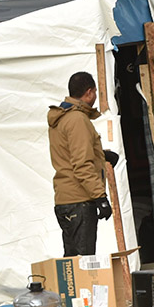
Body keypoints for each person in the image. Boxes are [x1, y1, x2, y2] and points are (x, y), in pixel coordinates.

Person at [48, 72, 112, 257]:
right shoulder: (77, 119)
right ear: (89, 92)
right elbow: (81, 164)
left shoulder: (61, 117)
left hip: (64, 200)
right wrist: (100, 197)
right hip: (80, 201)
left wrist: (104, 155)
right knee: (83, 266)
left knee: (71, 266)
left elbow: (69, 152)